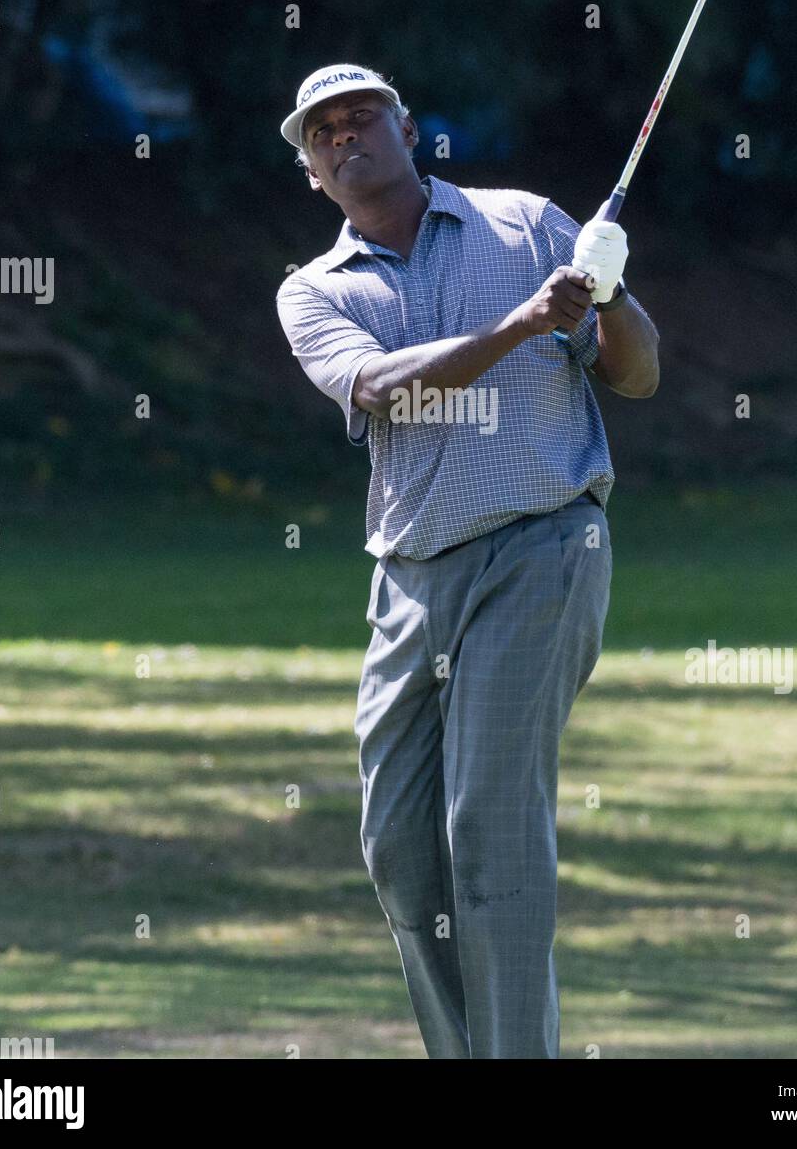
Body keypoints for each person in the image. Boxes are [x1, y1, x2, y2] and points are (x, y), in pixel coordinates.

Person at [276, 63, 659, 1058]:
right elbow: (382, 388)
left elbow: (640, 371)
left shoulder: (526, 223)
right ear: (312, 171)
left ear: (410, 128)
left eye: (363, 117)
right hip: (408, 579)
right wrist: (521, 325)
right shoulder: (313, 291)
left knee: (490, 829)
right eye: (324, 133)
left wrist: (608, 298)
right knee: (402, 853)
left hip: (543, 544)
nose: (345, 137)